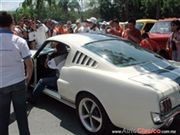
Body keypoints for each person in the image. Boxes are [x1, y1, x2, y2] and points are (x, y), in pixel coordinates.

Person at [0, 11, 33, 135]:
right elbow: (29, 64)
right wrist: (27, 80)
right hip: (18, 83)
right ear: (12, 23)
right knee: (22, 117)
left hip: (1, 85)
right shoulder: (19, 41)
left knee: (2, 120)